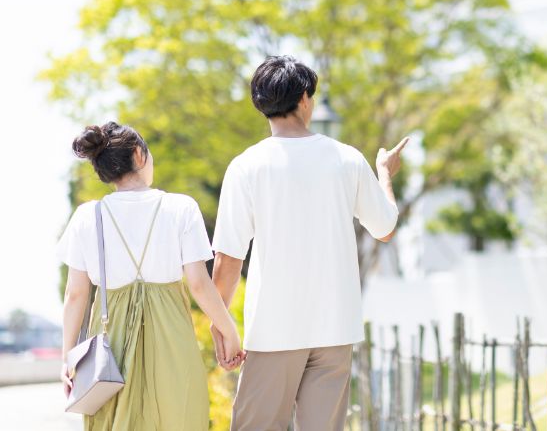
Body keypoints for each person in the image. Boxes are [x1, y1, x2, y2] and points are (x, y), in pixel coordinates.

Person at [211, 55, 407, 431]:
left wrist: (222, 326)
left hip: (273, 328)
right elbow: (385, 227)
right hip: (335, 327)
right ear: (304, 98)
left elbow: (229, 260)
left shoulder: (246, 166)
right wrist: (384, 173)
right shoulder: (347, 159)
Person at [58, 121, 244, 431]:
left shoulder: (87, 216)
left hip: (110, 341)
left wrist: (67, 358)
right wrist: (229, 332)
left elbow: (76, 294)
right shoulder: (181, 208)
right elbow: (198, 283)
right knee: (180, 416)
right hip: (172, 332)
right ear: (139, 155)